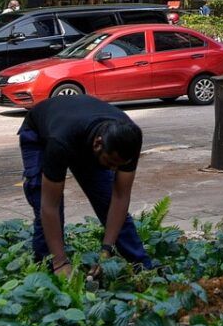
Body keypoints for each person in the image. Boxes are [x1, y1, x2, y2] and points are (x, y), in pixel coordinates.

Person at [18, 94, 151, 275]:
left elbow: (120, 197)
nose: (114, 170)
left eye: (119, 165)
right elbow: (50, 206)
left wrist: (106, 250)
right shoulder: (60, 142)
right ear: (98, 144)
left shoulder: (128, 140)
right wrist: (60, 262)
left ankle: (142, 268)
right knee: (45, 202)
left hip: (80, 133)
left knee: (107, 200)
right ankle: (49, 269)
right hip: (40, 135)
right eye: (111, 163)